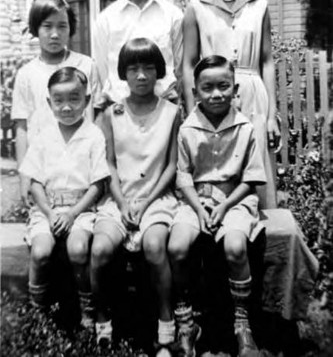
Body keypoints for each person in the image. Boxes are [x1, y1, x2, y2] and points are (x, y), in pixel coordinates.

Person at [168, 56, 266, 357]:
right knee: (177, 246)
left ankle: (241, 323)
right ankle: (186, 322)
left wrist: (223, 209)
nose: (216, 94)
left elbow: (251, 179)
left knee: (235, 247)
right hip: (196, 201)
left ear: (235, 88)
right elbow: (183, 177)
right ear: (195, 92)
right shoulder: (187, 129)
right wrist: (199, 209)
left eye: (223, 86)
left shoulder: (245, 128)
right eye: (207, 88)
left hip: (234, 201)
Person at [90, 38, 180, 355]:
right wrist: (125, 202)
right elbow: (109, 164)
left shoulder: (171, 112)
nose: (141, 75)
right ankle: (102, 323)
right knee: (100, 249)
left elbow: (171, 166)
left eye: (148, 68)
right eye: (133, 68)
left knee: (155, 245)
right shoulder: (112, 114)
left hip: (157, 200)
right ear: (123, 74)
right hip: (119, 199)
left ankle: (166, 327)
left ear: (159, 71)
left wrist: (147, 202)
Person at [182, 0, 281, 208]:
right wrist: (193, 111)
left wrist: (272, 115)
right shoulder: (196, 7)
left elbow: (267, 61)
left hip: (252, 98)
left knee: (255, 174)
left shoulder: (259, 5)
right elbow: (189, 64)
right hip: (212, 100)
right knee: (216, 178)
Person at [19, 67, 110, 328]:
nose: (67, 107)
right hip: (47, 208)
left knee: (78, 248)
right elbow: (35, 182)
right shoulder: (44, 136)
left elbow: (97, 185)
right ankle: (37, 311)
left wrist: (71, 214)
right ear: (49, 103)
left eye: (74, 99)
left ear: (87, 100)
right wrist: (49, 213)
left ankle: (87, 308)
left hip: (81, 209)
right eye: (58, 101)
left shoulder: (93, 135)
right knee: (41, 251)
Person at [11, 0, 102, 205]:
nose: (54, 34)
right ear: (35, 29)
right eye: (47, 26)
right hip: (42, 168)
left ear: (71, 28)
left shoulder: (86, 65)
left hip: (82, 169)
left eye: (62, 26)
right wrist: (25, 177)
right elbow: (22, 128)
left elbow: (97, 118)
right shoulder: (26, 74)